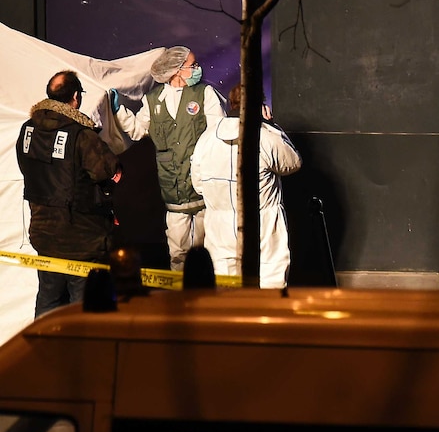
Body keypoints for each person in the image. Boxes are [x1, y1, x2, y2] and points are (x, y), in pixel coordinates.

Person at [16, 70, 123, 317]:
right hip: (82, 239)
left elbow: (26, 169)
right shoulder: (82, 135)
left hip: (45, 234)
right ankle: (83, 354)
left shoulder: (27, 130)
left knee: (48, 302)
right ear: (75, 97)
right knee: (84, 308)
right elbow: (108, 171)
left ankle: (43, 353)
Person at [111, 46, 226, 271]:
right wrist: (118, 111)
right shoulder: (154, 101)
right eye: (192, 66)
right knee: (178, 252)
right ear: (176, 70)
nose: (197, 69)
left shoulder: (205, 94)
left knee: (206, 251)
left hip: (202, 187)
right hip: (172, 188)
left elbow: (218, 133)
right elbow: (137, 130)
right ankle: (180, 300)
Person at [191, 85, 302, 288]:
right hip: (263, 224)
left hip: (219, 226)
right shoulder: (266, 136)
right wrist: (272, 126)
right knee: (270, 281)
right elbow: (293, 162)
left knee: (224, 287)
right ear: (260, 105)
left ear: (230, 104)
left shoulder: (206, 139)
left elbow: (198, 185)